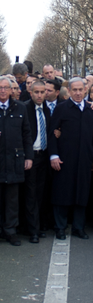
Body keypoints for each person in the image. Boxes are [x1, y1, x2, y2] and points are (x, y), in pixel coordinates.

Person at [48, 78, 93, 240]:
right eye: (74, 90)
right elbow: (52, 133)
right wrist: (54, 155)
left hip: (84, 160)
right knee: (62, 193)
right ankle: (60, 227)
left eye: (80, 90)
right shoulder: (61, 109)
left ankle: (79, 227)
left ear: (85, 90)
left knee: (81, 193)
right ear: (69, 91)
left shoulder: (91, 110)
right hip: (64, 158)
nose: (78, 93)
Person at [0, 77, 33, 246]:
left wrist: (28, 157)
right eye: (0, 88)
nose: (3, 91)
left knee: (12, 199)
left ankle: (11, 231)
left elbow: (27, 134)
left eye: (6, 88)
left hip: (14, 160)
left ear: (12, 90)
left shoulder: (20, 108)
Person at [22, 81, 50, 243]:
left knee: (41, 192)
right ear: (31, 93)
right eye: (36, 92)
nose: (39, 95)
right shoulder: (25, 108)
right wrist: (27, 156)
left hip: (44, 156)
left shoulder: (47, 109)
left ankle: (38, 225)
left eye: (42, 92)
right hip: (30, 156)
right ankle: (33, 230)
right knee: (31, 193)